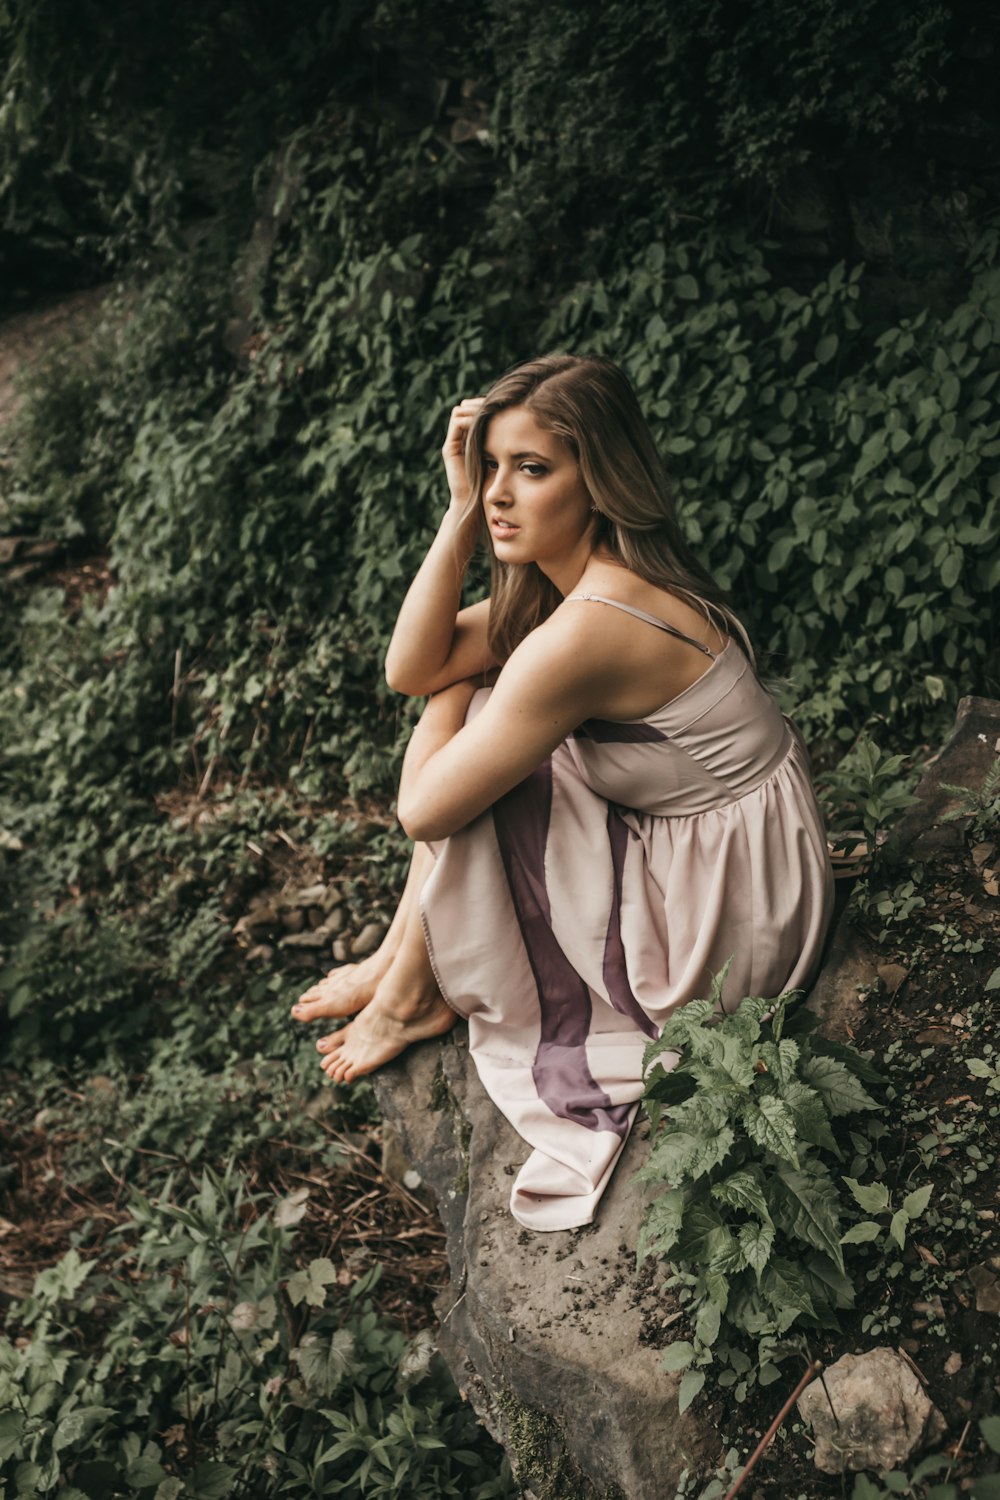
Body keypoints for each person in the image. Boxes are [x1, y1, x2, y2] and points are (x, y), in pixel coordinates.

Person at [291, 353, 834, 1231]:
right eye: (489, 467)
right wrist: (458, 513)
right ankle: (401, 968)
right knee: (486, 731)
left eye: (532, 469)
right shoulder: (574, 593)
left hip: (736, 917)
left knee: (479, 757)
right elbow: (411, 665)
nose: (501, 492)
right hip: (738, 849)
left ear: (602, 482)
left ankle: (408, 993)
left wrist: (455, 704)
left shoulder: (587, 628)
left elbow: (423, 807)